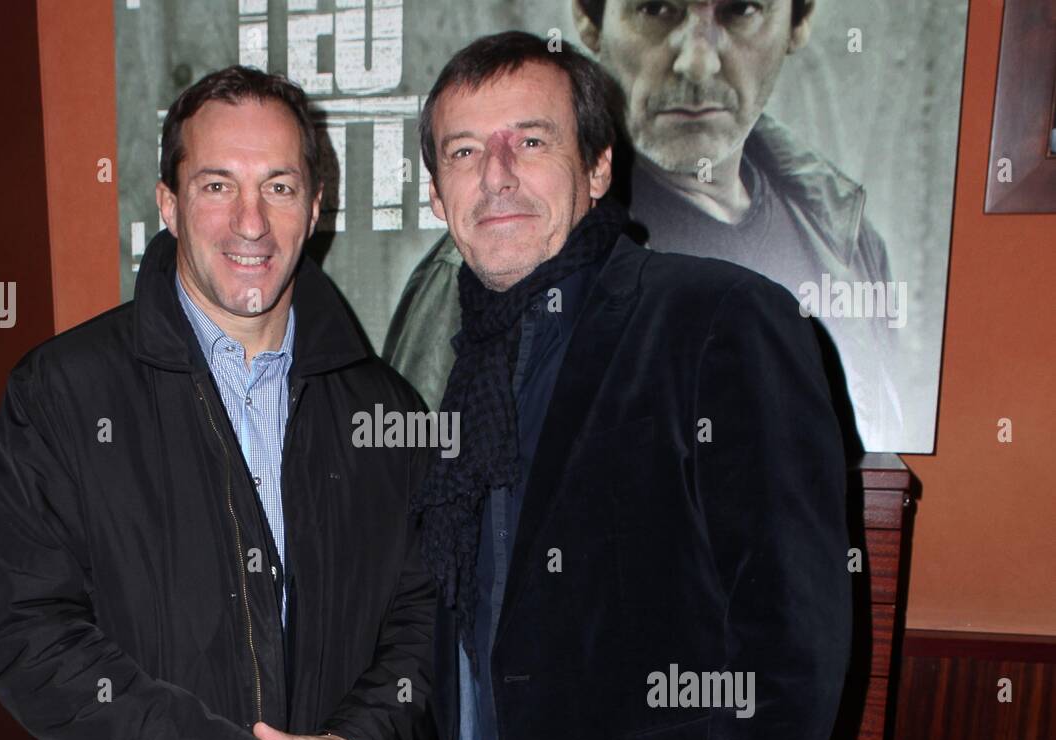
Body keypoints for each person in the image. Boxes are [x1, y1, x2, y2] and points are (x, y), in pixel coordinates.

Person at [0, 66, 435, 740]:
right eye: (218, 183)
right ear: (168, 204)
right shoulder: (61, 392)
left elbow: (426, 627)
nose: (250, 222)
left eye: (279, 186)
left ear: (316, 207)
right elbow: (27, 634)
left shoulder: (387, 411)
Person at [410, 32, 850, 740]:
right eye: (465, 151)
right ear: (438, 195)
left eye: (530, 141)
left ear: (600, 169)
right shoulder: (459, 375)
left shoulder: (720, 321)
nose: (496, 173)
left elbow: (789, 647)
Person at [385, 0, 902, 449]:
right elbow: (409, 498)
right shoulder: (469, 272)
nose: (697, 61)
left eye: (740, 8)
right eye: (657, 9)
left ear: (799, 19)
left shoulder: (835, 243)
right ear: (590, 20)